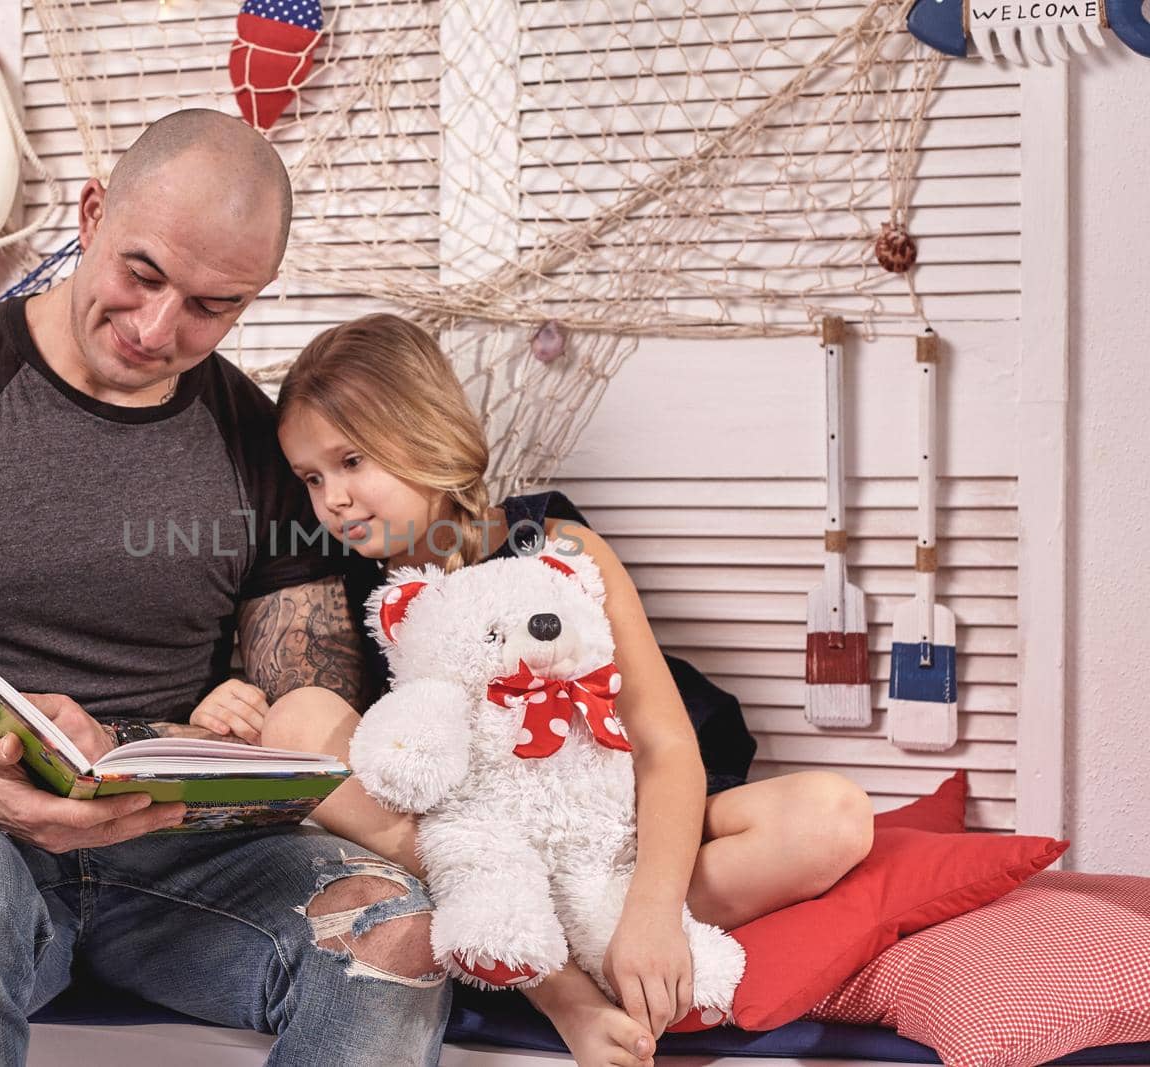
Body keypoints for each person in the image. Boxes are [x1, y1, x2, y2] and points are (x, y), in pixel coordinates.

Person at [0, 112, 453, 1067]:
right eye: (144, 274)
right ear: (89, 215)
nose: (159, 329)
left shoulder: (262, 440)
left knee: (396, 933)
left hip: (184, 854)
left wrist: (216, 739)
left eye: (213, 306)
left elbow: (308, 705)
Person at [232, 313, 877, 1067]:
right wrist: (226, 707)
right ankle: (559, 987)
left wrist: (653, 911)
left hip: (610, 831)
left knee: (834, 816)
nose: (332, 499)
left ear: (424, 431)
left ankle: (588, 929)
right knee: (298, 718)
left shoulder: (560, 548)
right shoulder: (342, 589)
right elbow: (322, 750)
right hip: (480, 851)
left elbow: (665, 744)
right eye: (311, 477)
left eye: (351, 461)